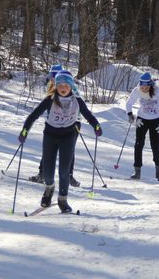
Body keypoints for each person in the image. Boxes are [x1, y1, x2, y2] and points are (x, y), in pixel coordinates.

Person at [19, 70, 102, 213]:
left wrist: (96, 125)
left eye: (66, 85)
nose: (63, 88)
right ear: (56, 86)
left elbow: (88, 115)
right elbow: (33, 115)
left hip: (68, 136)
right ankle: (49, 188)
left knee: (64, 171)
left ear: (71, 86)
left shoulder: (77, 101)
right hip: (50, 135)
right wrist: (25, 130)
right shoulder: (50, 99)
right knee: (48, 173)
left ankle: (63, 199)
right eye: (60, 85)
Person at [28, 64, 80, 187]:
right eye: (51, 76)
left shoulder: (68, 85)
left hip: (72, 123)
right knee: (48, 150)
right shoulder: (52, 86)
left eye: (53, 76)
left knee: (69, 150)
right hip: (54, 124)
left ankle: (69, 176)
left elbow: (77, 104)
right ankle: (42, 173)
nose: (51, 78)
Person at [125, 72, 159, 180]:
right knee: (138, 144)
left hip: (156, 120)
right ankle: (137, 172)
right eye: (142, 86)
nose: (144, 89)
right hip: (142, 119)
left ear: (150, 85)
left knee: (155, 145)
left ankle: (158, 169)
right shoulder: (137, 90)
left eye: (146, 87)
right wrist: (130, 114)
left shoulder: (157, 91)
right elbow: (129, 103)